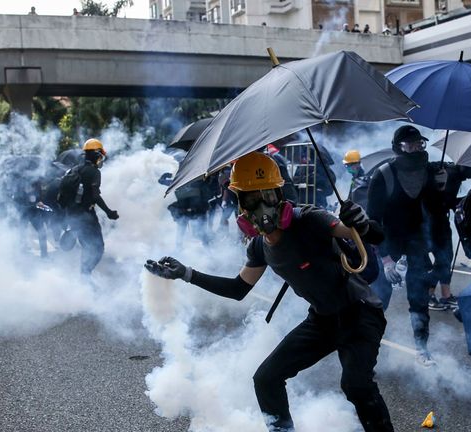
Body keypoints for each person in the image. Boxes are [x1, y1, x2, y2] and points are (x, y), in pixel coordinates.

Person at [146, 152, 394, 432]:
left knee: (356, 385)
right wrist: (186, 274)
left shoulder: (311, 219)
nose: (261, 206)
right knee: (266, 379)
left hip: (359, 312)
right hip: (323, 320)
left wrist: (360, 222)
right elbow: (238, 288)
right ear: (240, 204)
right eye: (251, 198)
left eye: (267, 195)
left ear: (280, 195)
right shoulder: (258, 247)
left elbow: (372, 236)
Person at [367, 125, 438, 366]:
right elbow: (372, 221)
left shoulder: (429, 172)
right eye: (411, 144)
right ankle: (367, 357)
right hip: (388, 242)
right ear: (398, 147)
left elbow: (436, 211)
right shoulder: (383, 174)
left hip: (416, 242)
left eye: (420, 143)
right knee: (378, 302)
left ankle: (422, 348)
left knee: (419, 299)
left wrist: (445, 187)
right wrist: (385, 260)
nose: (417, 147)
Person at [425, 161, 471, 311]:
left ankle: (446, 295)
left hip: (440, 219)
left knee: (445, 258)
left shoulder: (456, 174)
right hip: (432, 221)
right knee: (443, 258)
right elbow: (444, 202)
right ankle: (428, 294)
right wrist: (466, 200)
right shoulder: (452, 175)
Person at [66, 138, 119, 276]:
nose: (101, 159)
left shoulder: (75, 169)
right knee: (98, 248)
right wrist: (109, 212)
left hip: (73, 216)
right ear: (96, 155)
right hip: (87, 217)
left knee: (86, 247)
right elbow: (95, 195)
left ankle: (85, 278)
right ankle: (85, 274)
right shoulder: (94, 172)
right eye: (100, 156)